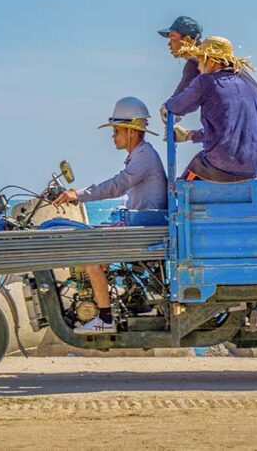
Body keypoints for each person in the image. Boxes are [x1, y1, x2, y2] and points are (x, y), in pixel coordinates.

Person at [53, 97, 168, 334]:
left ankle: (104, 320)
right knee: (95, 245)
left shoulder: (144, 155)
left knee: (92, 258)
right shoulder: (140, 154)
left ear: (132, 132)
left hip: (144, 227)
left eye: (116, 131)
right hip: (141, 223)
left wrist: (78, 194)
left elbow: (117, 185)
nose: (113, 136)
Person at [159, 18, 257, 178]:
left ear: (188, 40)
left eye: (172, 37)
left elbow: (177, 103)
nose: (169, 44)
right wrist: (189, 134)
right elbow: (224, 131)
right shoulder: (229, 77)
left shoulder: (198, 68)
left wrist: (167, 112)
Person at [165, 36, 257, 182]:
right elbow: (228, 133)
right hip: (253, 169)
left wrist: (166, 107)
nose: (198, 67)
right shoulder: (249, 86)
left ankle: (178, 203)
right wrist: (188, 135)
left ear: (211, 61)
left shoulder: (206, 81)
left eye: (200, 60)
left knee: (184, 182)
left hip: (222, 168)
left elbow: (177, 106)